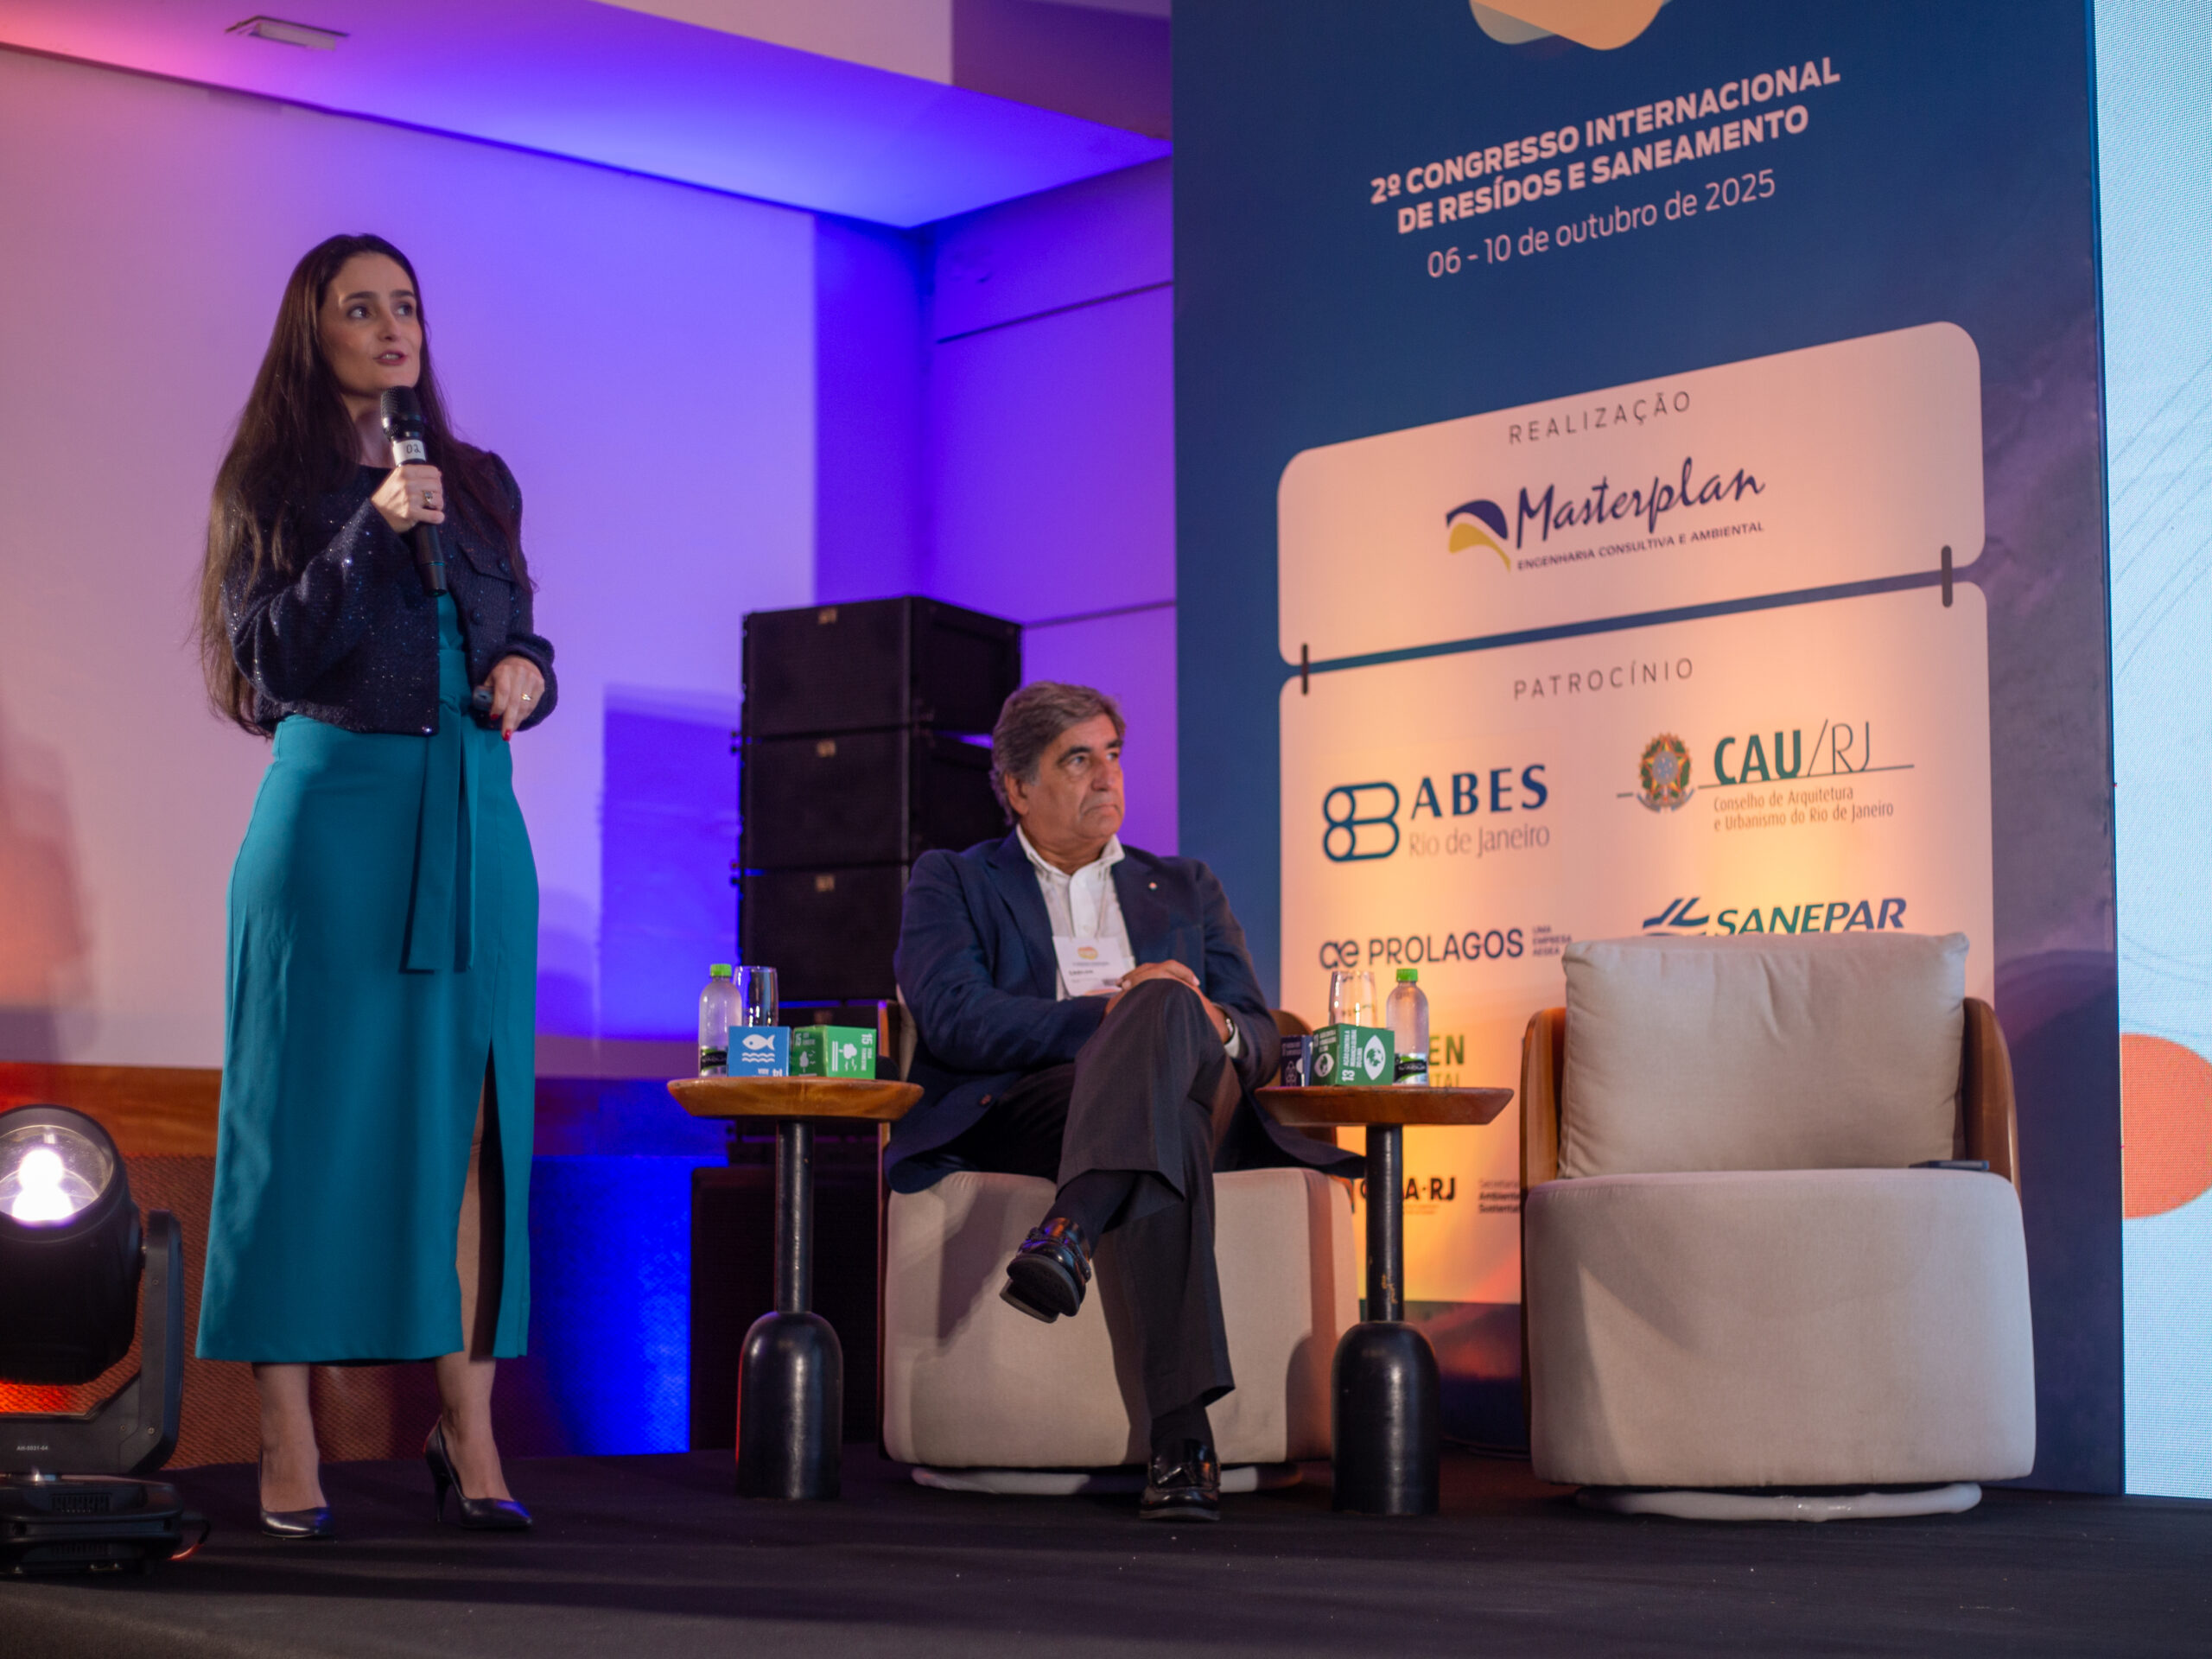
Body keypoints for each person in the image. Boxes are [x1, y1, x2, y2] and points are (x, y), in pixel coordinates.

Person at [194, 234, 552, 1539]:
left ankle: (469, 1430)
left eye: (406, 305)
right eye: (362, 308)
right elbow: (267, 658)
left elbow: (517, 631)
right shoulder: (273, 483)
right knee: (300, 1126)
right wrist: (371, 526)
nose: (393, 326)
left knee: (474, 1127)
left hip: (473, 813)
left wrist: (528, 674)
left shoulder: (482, 479)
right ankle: (287, 1432)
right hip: (336, 816)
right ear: (316, 332)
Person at [892, 682, 1359, 1522]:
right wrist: (1115, 1015)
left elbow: (1257, 1030)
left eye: (1112, 754)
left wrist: (1203, 1020)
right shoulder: (954, 881)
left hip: (1199, 1089)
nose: (1106, 775)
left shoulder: (1183, 885)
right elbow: (956, 1016)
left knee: (1171, 1014)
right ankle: (1181, 1436)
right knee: (1161, 1102)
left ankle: (1070, 1230)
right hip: (1033, 1104)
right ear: (1017, 787)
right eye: (1078, 759)